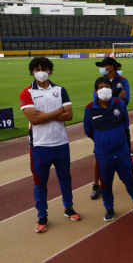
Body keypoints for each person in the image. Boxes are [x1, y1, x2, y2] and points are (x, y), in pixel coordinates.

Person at [19, 57, 81, 233]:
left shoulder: (60, 90)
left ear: (50, 71)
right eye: (37, 68)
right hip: (39, 145)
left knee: (65, 179)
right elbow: (34, 119)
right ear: (32, 71)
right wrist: (58, 111)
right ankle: (42, 216)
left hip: (61, 143)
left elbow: (68, 116)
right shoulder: (26, 92)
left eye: (44, 68)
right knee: (40, 183)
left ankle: (68, 208)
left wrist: (44, 115)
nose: (41, 71)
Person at [83, 77, 133, 221]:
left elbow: (126, 125)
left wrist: (120, 142)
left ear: (111, 89)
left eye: (107, 86)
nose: (104, 89)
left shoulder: (119, 104)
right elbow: (88, 130)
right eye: (100, 87)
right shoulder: (89, 108)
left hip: (122, 152)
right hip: (103, 155)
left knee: (130, 181)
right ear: (95, 91)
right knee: (106, 184)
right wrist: (101, 141)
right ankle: (109, 208)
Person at [91, 57, 133, 200]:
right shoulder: (99, 82)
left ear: (111, 67)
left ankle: (132, 178)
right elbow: (96, 102)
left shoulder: (123, 81)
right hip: (102, 122)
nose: (101, 68)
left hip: (118, 122)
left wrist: (113, 99)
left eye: (103, 65)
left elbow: (126, 101)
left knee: (125, 151)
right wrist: (117, 98)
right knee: (98, 155)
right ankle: (96, 184)